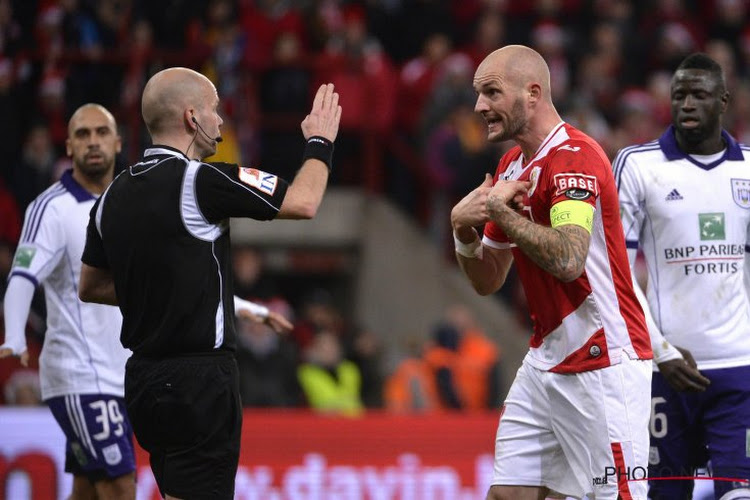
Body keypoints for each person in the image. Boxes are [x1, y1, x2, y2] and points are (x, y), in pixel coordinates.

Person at [78, 67, 341, 500]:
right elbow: (304, 201)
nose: (221, 121)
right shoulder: (201, 180)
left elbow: (91, 285)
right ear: (191, 118)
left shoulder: (111, 196)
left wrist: (160, 291)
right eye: (215, 110)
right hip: (199, 380)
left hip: (142, 379)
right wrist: (321, 142)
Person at [450, 45, 653, 500]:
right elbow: (488, 280)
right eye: (478, 94)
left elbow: (568, 258)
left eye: (492, 93)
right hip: (546, 359)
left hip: (604, 360)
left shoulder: (574, 158)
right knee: (508, 494)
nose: (480, 106)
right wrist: (463, 230)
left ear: (533, 94)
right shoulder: (512, 166)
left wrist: (499, 213)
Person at [613, 52, 750, 500]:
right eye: (679, 95)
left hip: (738, 371)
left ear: (723, 100)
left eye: (699, 94)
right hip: (664, 372)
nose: (687, 104)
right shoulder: (638, 166)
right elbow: (615, 269)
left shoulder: (748, 167)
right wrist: (660, 350)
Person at [0, 103, 137, 499]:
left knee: (87, 491)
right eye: (82, 134)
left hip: (121, 375)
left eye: (100, 132)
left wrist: (248, 309)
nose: (92, 141)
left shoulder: (128, 206)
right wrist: (14, 333)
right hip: (79, 373)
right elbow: (23, 274)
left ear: (117, 142)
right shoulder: (51, 207)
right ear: (69, 145)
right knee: (120, 488)